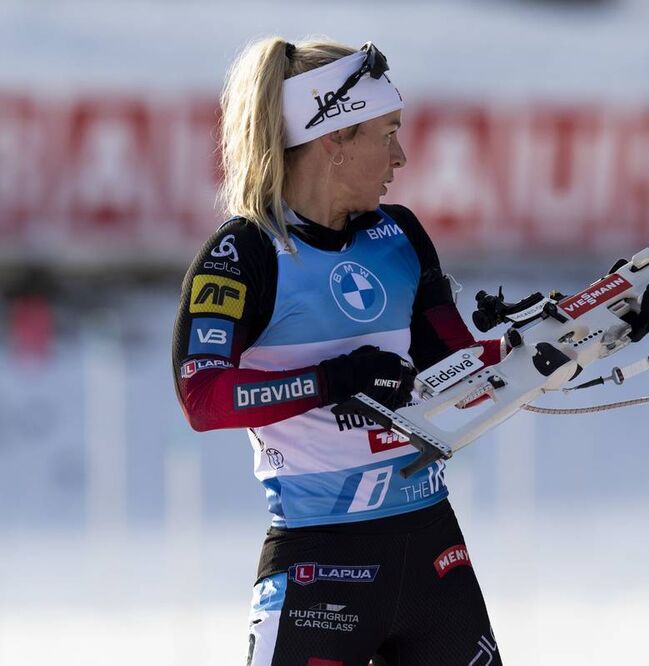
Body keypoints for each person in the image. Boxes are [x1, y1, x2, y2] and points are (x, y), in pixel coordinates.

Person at [171, 37, 506, 666]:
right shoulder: (243, 253)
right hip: (319, 558)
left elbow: (464, 369)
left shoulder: (400, 235)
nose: (401, 156)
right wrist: (334, 379)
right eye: (388, 133)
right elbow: (203, 398)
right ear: (335, 140)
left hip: (432, 547)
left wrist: (596, 324)